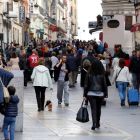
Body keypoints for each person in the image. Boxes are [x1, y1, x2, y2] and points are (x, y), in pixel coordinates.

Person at [83, 59, 108, 130]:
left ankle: (94, 123)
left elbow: (86, 85)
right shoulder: (102, 74)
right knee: (98, 108)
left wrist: (85, 95)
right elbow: (104, 85)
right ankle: (98, 123)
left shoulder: (89, 73)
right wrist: (106, 95)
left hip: (91, 93)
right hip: (100, 93)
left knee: (93, 108)